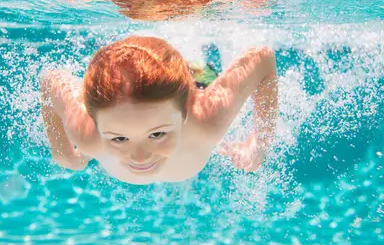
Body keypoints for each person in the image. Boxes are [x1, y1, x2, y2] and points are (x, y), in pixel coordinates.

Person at [40, 36, 277, 184]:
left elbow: (263, 58)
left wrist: (259, 145)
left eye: (157, 134)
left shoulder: (208, 119)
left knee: (197, 68)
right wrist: (62, 152)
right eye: (119, 138)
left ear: (185, 114)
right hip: (147, 88)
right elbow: (50, 81)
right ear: (95, 123)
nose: (140, 157)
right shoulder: (86, 134)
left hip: (197, 81)